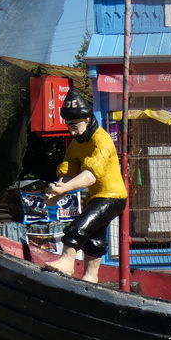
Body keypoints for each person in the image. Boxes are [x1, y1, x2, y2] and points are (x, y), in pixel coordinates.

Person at [43, 88, 127, 283]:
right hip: (97, 198)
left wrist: (64, 189)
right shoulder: (76, 144)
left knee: (79, 226)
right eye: (69, 126)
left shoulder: (102, 141)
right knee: (94, 237)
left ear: (87, 120)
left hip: (113, 197)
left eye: (75, 126)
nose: (72, 131)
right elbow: (68, 172)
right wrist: (56, 193)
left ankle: (66, 262)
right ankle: (91, 276)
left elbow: (90, 176)